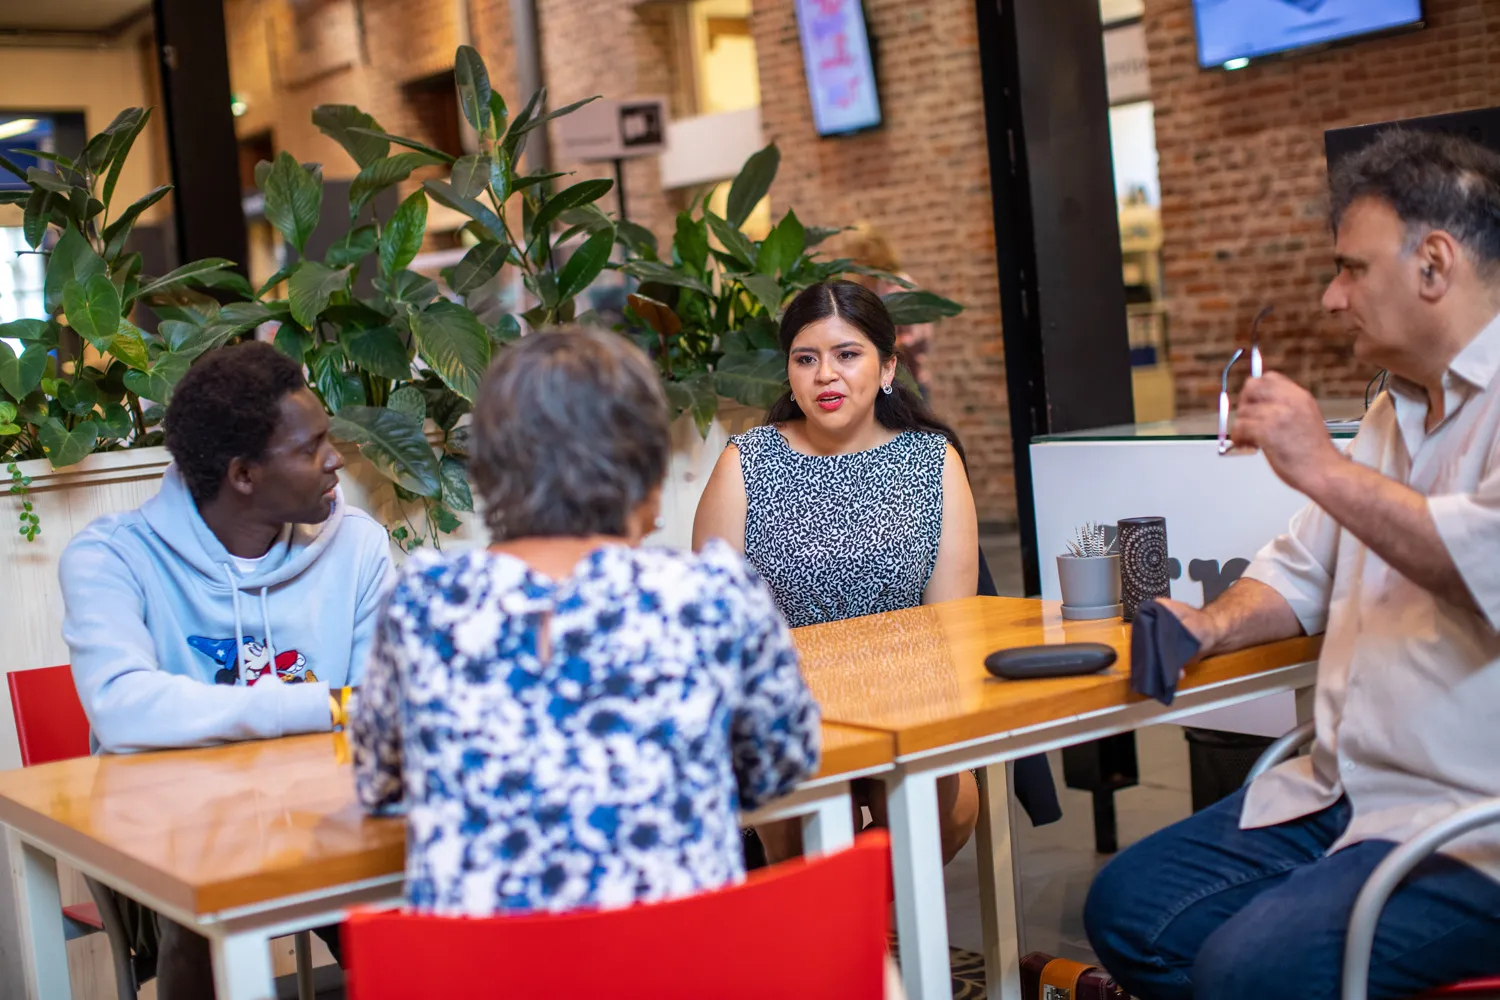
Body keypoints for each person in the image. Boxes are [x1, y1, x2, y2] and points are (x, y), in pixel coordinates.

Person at [1083, 129, 1500, 999]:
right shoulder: (1395, 412)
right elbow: (1301, 569)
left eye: (1351, 269)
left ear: (1433, 264)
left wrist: (1320, 463)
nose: (1330, 297)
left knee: (1246, 969)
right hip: (1343, 789)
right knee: (1128, 911)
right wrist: (1209, 623)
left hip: (1470, 829)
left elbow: (1480, 563)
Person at [349, 328, 821, 914]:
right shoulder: (713, 597)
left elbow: (381, 786)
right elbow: (781, 766)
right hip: (680, 968)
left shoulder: (423, 606)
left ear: (490, 471)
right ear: (647, 470)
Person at [59, 340, 394, 997]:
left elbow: (382, 704)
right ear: (243, 474)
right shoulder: (110, 559)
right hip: (174, 834)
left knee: (411, 896)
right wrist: (323, 705)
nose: (335, 460)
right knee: (202, 903)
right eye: (311, 447)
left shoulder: (357, 544)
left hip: (328, 824)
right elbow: (123, 709)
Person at [692, 280, 980, 864]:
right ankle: (849, 944)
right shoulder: (744, 464)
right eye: (807, 359)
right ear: (791, 375)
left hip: (907, 704)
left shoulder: (933, 461)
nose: (827, 375)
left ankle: (882, 940)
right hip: (787, 713)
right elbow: (714, 632)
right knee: (817, 818)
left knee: (946, 808)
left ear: (887, 366)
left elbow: (953, 626)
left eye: (847, 355)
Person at [833, 222, 937, 397]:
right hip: (873, 385)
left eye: (859, 256)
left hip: (907, 384)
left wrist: (883, 345)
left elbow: (920, 335)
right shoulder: (862, 288)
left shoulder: (899, 286)